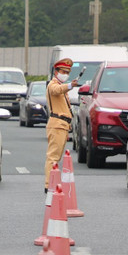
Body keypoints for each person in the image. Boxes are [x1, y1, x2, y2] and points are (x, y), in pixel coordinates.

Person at [44, 58, 75, 193]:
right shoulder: (53, 84)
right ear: (56, 72)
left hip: (62, 125)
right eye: (63, 71)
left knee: (57, 157)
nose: (65, 74)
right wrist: (69, 86)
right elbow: (55, 90)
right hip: (57, 124)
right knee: (53, 157)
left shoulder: (60, 86)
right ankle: (48, 184)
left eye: (67, 72)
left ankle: (53, 181)